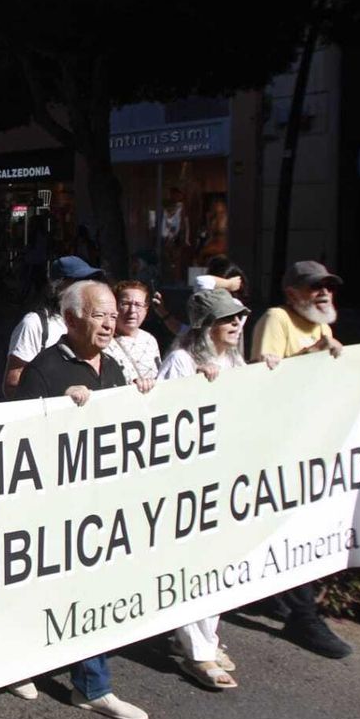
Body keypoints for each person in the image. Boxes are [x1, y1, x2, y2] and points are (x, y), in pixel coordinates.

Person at [12, 279, 153, 719]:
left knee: (94, 592)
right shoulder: (44, 370)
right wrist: (58, 408)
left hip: (101, 507)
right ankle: (21, 661)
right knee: (45, 592)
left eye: (113, 315)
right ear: (71, 319)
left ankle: (92, 686)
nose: (111, 323)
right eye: (100, 314)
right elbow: (19, 444)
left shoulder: (113, 367)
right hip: (55, 511)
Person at [248, 260, 360, 659]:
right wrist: (315, 352)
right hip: (280, 447)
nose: (324, 294)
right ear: (292, 293)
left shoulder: (321, 324)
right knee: (295, 525)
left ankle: (276, 598)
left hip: (311, 445)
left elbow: (328, 376)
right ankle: (303, 616)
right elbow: (263, 379)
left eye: (328, 287)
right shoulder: (277, 319)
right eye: (314, 288)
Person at [155, 289, 280, 689]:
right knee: (195, 566)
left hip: (225, 480)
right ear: (205, 326)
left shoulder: (234, 360)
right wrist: (197, 389)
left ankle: (202, 638)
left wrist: (269, 371)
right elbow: (163, 418)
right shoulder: (182, 360)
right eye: (228, 319)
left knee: (219, 565)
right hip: (189, 484)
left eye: (240, 318)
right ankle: (199, 652)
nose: (237, 325)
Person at [3, 256, 104, 399]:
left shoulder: (98, 323)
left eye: (90, 281)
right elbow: (12, 385)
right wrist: (62, 395)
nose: (87, 287)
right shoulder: (35, 324)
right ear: (59, 286)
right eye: (78, 282)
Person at [105, 280, 160, 383]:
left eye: (138, 305)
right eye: (125, 304)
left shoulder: (150, 339)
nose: (132, 310)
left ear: (146, 309)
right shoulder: (104, 341)